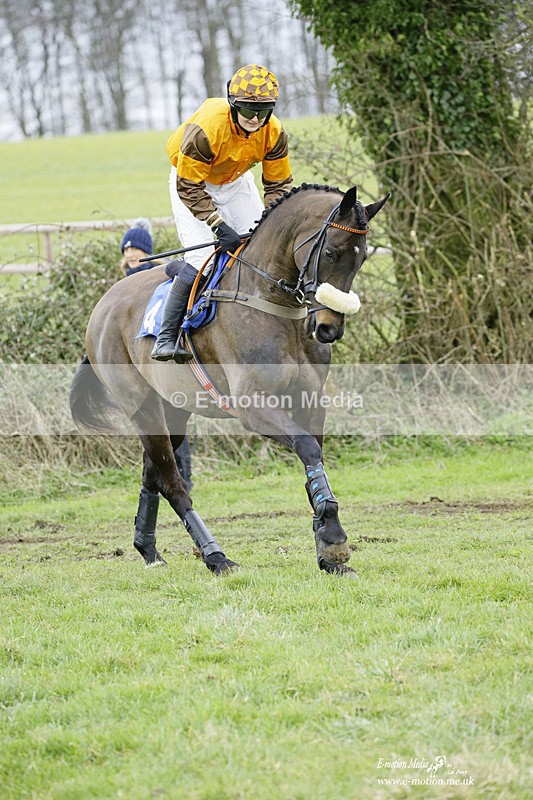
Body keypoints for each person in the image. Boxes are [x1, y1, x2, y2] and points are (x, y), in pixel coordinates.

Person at [150, 63, 293, 362]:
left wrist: (271, 221)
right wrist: (217, 225)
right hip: (192, 183)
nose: (255, 119)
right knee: (201, 257)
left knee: (259, 246)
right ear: (233, 104)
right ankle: (166, 335)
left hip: (236, 181)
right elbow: (189, 187)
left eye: (263, 111)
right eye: (248, 110)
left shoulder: (274, 132)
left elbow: (279, 185)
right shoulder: (206, 129)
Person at [119, 218, 194, 489]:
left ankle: (183, 476)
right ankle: (158, 479)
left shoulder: (158, 277)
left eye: (135, 249)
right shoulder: (124, 283)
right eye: (126, 250)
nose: (130, 254)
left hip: (160, 354)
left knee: (173, 418)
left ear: (146, 252)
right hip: (140, 360)